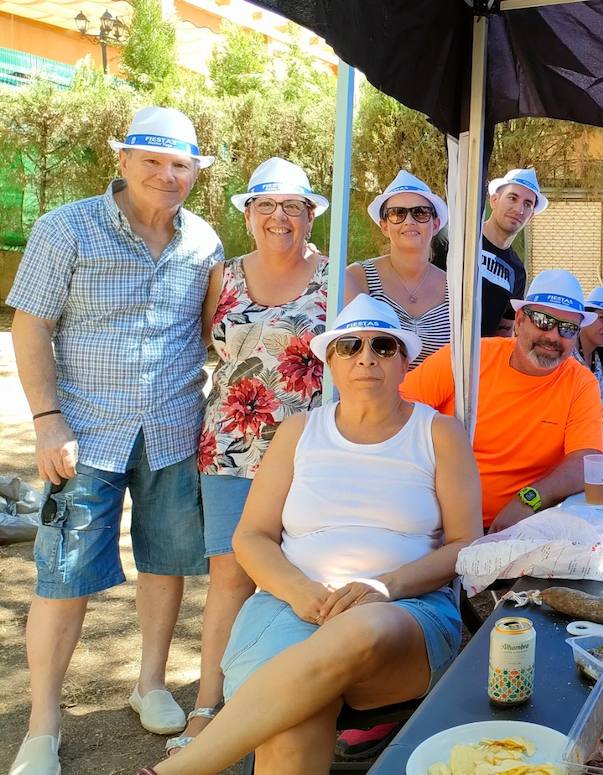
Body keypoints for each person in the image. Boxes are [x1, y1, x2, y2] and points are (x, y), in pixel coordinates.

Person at [140, 296, 483, 775]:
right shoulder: (299, 431)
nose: (366, 357)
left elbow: (466, 542)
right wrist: (298, 591)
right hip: (293, 605)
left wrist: (387, 586)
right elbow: (252, 537)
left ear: (406, 362)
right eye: (350, 346)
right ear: (330, 361)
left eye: (384, 346)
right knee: (292, 725)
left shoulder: (439, 432)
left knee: (360, 627)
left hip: (402, 613)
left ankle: (185, 767)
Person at [5, 106, 221, 775]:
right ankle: (44, 723)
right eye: (151, 160)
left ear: (195, 172)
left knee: (166, 562)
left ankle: (149, 681)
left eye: (179, 163)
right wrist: (47, 418)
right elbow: (30, 325)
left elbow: (215, 332)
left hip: (173, 431)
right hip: (84, 433)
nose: (166, 174)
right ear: (122, 160)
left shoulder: (204, 242)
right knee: (63, 575)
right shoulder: (63, 227)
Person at [173, 158, 331, 754]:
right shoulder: (222, 275)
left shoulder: (336, 279)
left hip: (307, 448)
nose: (279, 217)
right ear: (247, 214)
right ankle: (209, 704)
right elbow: (194, 347)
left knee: (303, 567)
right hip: (228, 444)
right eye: (265, 205)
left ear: (311, 214)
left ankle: (284, 693)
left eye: (293, 205)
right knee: (229, 573)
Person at [401, 270, 603, 531]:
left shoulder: (581, 383)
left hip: (519, 528)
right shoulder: (467, 358)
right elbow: (398, 411)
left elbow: (585, 461)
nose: (553, 336)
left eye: (567, 328)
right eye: (543, 321)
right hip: (432, 520)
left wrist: (529, 499)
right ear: (519, 321)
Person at [344, 170, 450, 367]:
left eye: (420, 212)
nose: (409, 221)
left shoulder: (454, 287)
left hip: (438, 398)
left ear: (435, 224)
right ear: (384, 226)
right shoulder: (358, 278)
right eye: (397, 213)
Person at [478, 168, 546, 336]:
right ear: (494, 200)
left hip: (479, 358)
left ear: (530, 217)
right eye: (512, 198)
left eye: (527, 204)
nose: (519, 209)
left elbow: (505, 328)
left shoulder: (517, 271)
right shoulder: (461, 241)